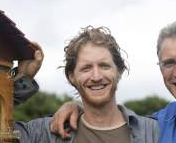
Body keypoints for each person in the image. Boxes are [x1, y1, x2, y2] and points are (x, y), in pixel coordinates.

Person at [13, 26, 159, 143]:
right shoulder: (43, 134)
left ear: (119, 71)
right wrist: (22, 78)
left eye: (104, 66)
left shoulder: (154, 132)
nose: (96, 77)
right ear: (72, 77)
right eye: (86, 68)